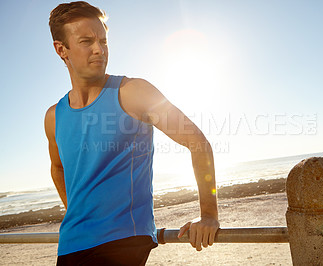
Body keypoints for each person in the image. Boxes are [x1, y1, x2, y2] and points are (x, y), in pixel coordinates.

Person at [44, 1, 219, 265]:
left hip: (124, 241)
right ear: (61, 49)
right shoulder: (54, 116)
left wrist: (208, 214)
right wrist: (79, 213)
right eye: (86, 41)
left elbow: (197, 142)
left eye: (103, 41)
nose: (99, 50)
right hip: (71, 245)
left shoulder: (134, 92)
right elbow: (57, 168)